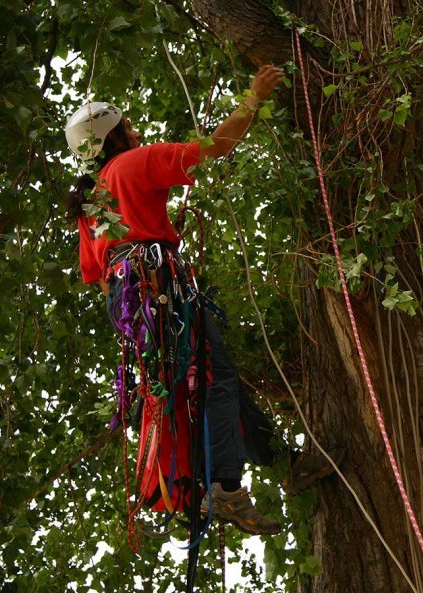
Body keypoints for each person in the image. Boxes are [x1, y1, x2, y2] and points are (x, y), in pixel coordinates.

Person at [63, 66, 332, 536]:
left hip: (131, 302)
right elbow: (215, 149)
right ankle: (227, 488)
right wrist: (253, 98)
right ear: (113, 134)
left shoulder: (92, 204)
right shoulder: (133, 163)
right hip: (155, 284)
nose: (136, 130)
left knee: (211, 381)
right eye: (127, 126)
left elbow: (100, 281)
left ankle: (284, 463)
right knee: (215, 378)